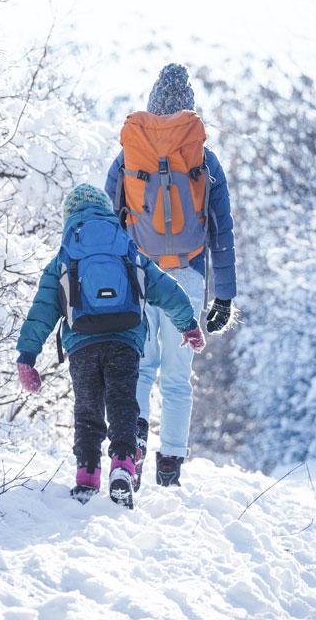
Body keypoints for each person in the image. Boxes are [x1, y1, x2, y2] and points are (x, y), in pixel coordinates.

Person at [14, 183, 204, 508]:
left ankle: (87, 476)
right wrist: (187, 324)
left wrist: (27, 357)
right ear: (106, 210)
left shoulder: (64, 255)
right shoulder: (127, 248)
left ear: (69, 216)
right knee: (123, 405)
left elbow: (42, 311)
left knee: (87, 409)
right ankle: (123, 467)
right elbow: (165, 289)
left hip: (82, 343)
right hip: (125, 340)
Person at [104, 63, 237, 489]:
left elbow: (108, 222)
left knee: (142, 368)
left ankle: (135, 444)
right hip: (189, 273)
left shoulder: (130, 155)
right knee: (178, 378)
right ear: (190, 112)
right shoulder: (203, 158)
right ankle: (171, 465)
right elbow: (222, 229)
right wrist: (225, 296)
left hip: (139, 275)